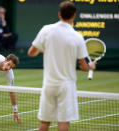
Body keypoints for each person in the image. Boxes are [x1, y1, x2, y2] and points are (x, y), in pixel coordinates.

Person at [28, 1, 96, 131]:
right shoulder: (77, 37)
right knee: (63, 123)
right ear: (74, 16)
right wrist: (91, 66)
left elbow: (31, 52)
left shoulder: (46, 30)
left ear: (59, 14)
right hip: (66, 87)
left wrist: (46, 49)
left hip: (49, 85)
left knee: (44, 123)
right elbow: (83, 66)